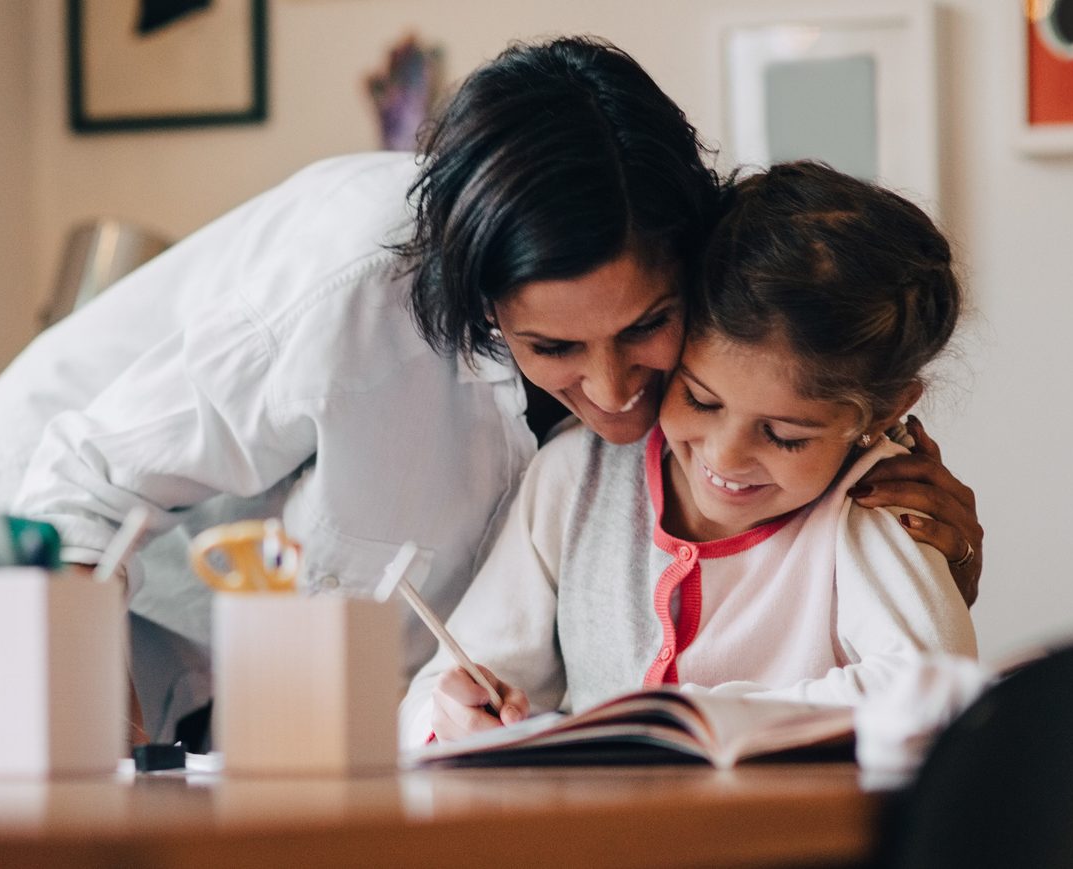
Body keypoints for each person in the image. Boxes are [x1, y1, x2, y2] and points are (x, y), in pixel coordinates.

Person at [0, 38, 985, 744]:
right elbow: (74, 483)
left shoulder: (719, 358)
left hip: (311, 697)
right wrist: (93, 732)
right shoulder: (347, 295)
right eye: (551, 346)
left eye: (646, 328)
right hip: (73, 563)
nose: (618, 392)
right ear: (477, 307)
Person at [400, 163, 975, 744]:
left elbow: (935, 691)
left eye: (785, 436)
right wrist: (450, 715)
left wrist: (698, 722)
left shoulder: (876, 500)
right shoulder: (576, 479)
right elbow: (441, 689)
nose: (725, 459)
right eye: (699, 400)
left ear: (880, 412)